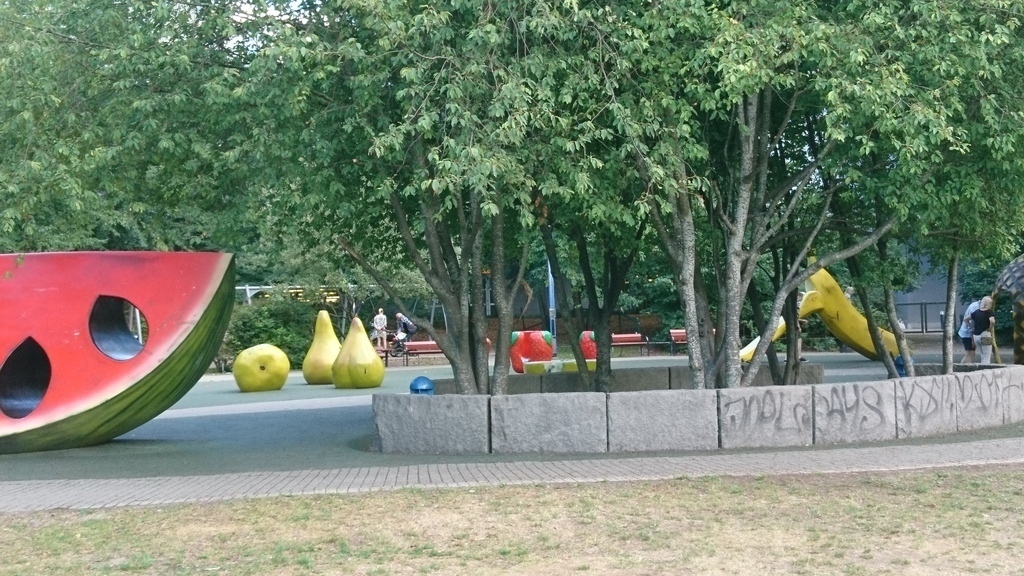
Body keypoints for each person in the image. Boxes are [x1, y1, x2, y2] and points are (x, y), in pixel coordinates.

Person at [970, 296, 996, 364]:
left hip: (976, 336)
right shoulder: (989, 312)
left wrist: (971, 326)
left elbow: (966, 319)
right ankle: (986, 371)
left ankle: (982, 368)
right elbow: (992, 321)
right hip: (985, 335)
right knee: (987, 356)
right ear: (989, 303)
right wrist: (990, 328)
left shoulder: (976, 312)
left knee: (982, 355)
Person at [958, 298, 982, 363]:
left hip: (965, 333)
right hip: (967, 334)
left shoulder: (975, 304)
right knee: (970, 353)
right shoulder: (976, 308)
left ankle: (964, 367)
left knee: (969, 353)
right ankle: (964, 368)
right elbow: (971, 326)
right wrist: (973, 340)